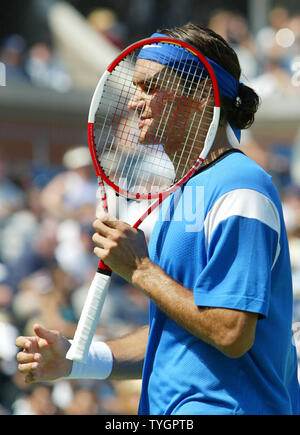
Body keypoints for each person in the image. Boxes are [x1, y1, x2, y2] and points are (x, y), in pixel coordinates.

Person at [16, 23, 300, 415]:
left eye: (150, 87)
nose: (134, 102)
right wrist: (76, 360)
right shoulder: (188, 191)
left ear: (200, 94)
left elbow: (230, 331)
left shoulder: (241, 188)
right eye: (136, 88)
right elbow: (178, 332)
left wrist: (140, 269)